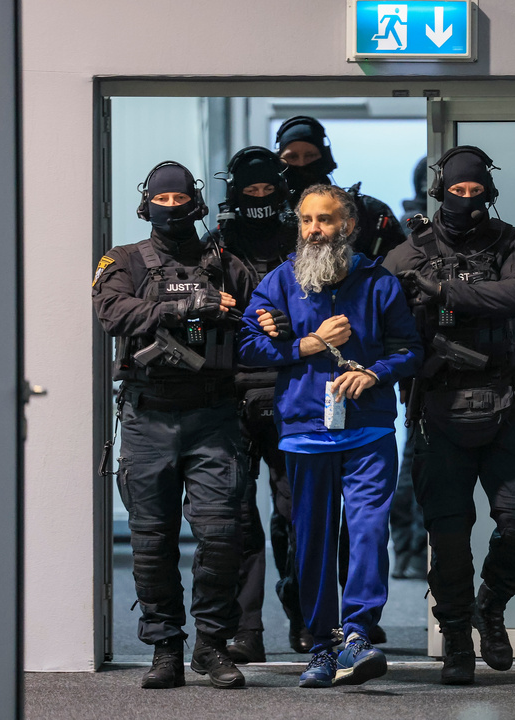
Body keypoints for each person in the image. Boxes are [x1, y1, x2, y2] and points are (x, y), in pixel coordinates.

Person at [236, 184, 422, 689]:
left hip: (368, 430)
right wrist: (308, 344)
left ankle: (357, 634)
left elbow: (409, 350)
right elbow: (247, 346)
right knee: (312, 542)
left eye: (325, 219)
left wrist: (376, 373)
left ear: (349, 226)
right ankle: (321, 645)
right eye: (306, 220)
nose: (314, 230)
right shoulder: (280, 282)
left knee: (368, 532)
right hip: (304, 432)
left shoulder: (378, 283)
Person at [384, 146, 515, 685]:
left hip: (505, 403)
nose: (466, 199)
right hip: (439, 409)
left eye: (476, 190)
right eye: (456, 191)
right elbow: (377, 315)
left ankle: (492, 604)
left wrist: (444, 291)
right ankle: (456, 634)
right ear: (440, 192)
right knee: (449, 538)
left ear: (489, 192)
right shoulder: (407, 253)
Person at [92, 161, 253, 689]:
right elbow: (112, 313)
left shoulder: (226, 263)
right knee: (151, 540)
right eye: (160, 201)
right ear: (147, 205)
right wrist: (187, 305)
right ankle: (165, 648)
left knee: (222, 535)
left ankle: (211, 646)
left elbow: (257, 323)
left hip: (215, 417)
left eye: (178, 200)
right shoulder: (122, 259)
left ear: (195, 202)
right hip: (148, 416)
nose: (170, 209)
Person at [202, 146, 313, 661]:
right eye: (251, 191)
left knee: (297, 515)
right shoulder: (215, 246)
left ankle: (304, 617)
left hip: (295, 389)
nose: (261, 198)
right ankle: (246, 629)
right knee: (237, 519)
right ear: (235, 193)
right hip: (231, 394)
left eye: (269, 189)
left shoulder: (304, 243)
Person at [275, 115, 405, 259]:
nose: (301, 163)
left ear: (326, 158)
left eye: (310, 155)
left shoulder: (368, 213)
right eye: (292, 157)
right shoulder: (270, 216)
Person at [391, 155, 430, 581]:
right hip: (417, 358)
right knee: (417, 460)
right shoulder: (413, 231)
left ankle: (409, 553)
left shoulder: (406, 229)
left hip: (412, 357)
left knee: (413, 460)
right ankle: (412, 553)